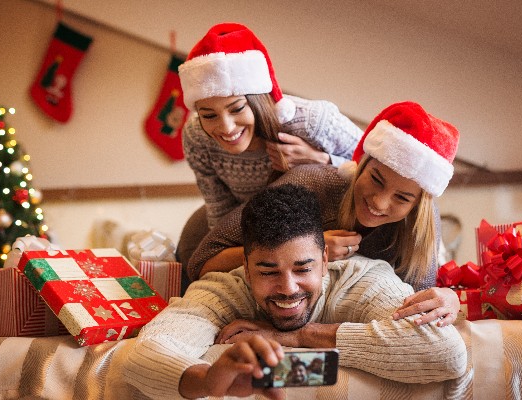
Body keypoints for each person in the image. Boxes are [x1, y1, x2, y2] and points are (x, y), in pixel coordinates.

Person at [126, 184, 467, 400]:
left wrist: (293, 336)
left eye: (303, 269)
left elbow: (446, 352)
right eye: (267, 271)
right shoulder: (225, 287)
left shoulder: (364, 278)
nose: (288, 289)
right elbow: (145, 352)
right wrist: (208, 379)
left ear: (324, 260)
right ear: (245, 269)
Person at [186, 101, 461, 326]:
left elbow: (415, 308)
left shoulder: (420, 229)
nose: (379, 202)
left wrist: (449, 298)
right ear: (361, 165)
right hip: (197, 235)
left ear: (416, 207)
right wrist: (310, 249)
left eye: (402, 198)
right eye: (376, 179)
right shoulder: (311, 183)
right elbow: (201, 261)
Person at [175, 22, 363, 275]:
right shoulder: (197, 136)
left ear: (258, 100)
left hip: (320, 224)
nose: (226, 127)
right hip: (246, 226)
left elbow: (373, 169)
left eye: (237, 108)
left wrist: (323, 160)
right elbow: (219, 212)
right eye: (209, 115)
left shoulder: (312, 121)